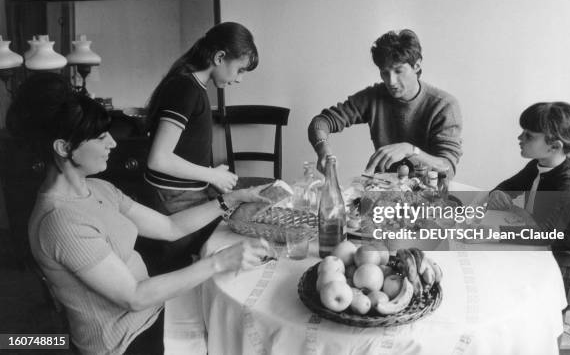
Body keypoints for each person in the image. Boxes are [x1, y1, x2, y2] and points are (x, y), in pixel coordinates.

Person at [6, 72, 273, 355]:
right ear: (63, 147)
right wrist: (218, 262)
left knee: (240, 325)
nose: (112, 143)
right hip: (126, 340)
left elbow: (170, 227)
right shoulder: (60, 221)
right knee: (241, 333)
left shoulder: (97, 189)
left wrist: (230, 199)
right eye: (100, 137)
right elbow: (133, 297)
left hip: (152, 313)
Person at [144, 22, 259, 272]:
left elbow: (180, 149)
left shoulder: (191, 87)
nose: (239, 80)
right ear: (219, 57)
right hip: (174, 200)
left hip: (184, 194)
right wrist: (211, 174)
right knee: (230, 250)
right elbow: (159, 159)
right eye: (240, 70)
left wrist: (209, 171)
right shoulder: (185, 88)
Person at [480, 102, 570, 305]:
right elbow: (510, 185)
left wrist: (492, 232)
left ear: (555, 146)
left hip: (562, 267)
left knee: (543, 321)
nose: (520, 138)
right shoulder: (537, 165)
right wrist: (499, 193)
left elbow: (545, 234)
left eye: (529, 135)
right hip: (537, 253)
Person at [308, 29, 462, 177]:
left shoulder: (445, 106)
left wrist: (410, 150)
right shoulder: (374, 96)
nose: (391, 81)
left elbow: (446, 167)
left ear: (417, 65)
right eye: (384, 72)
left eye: (398, 71)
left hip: (429, 197)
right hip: (384, 194)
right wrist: (323, 148)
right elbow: (321, 122)